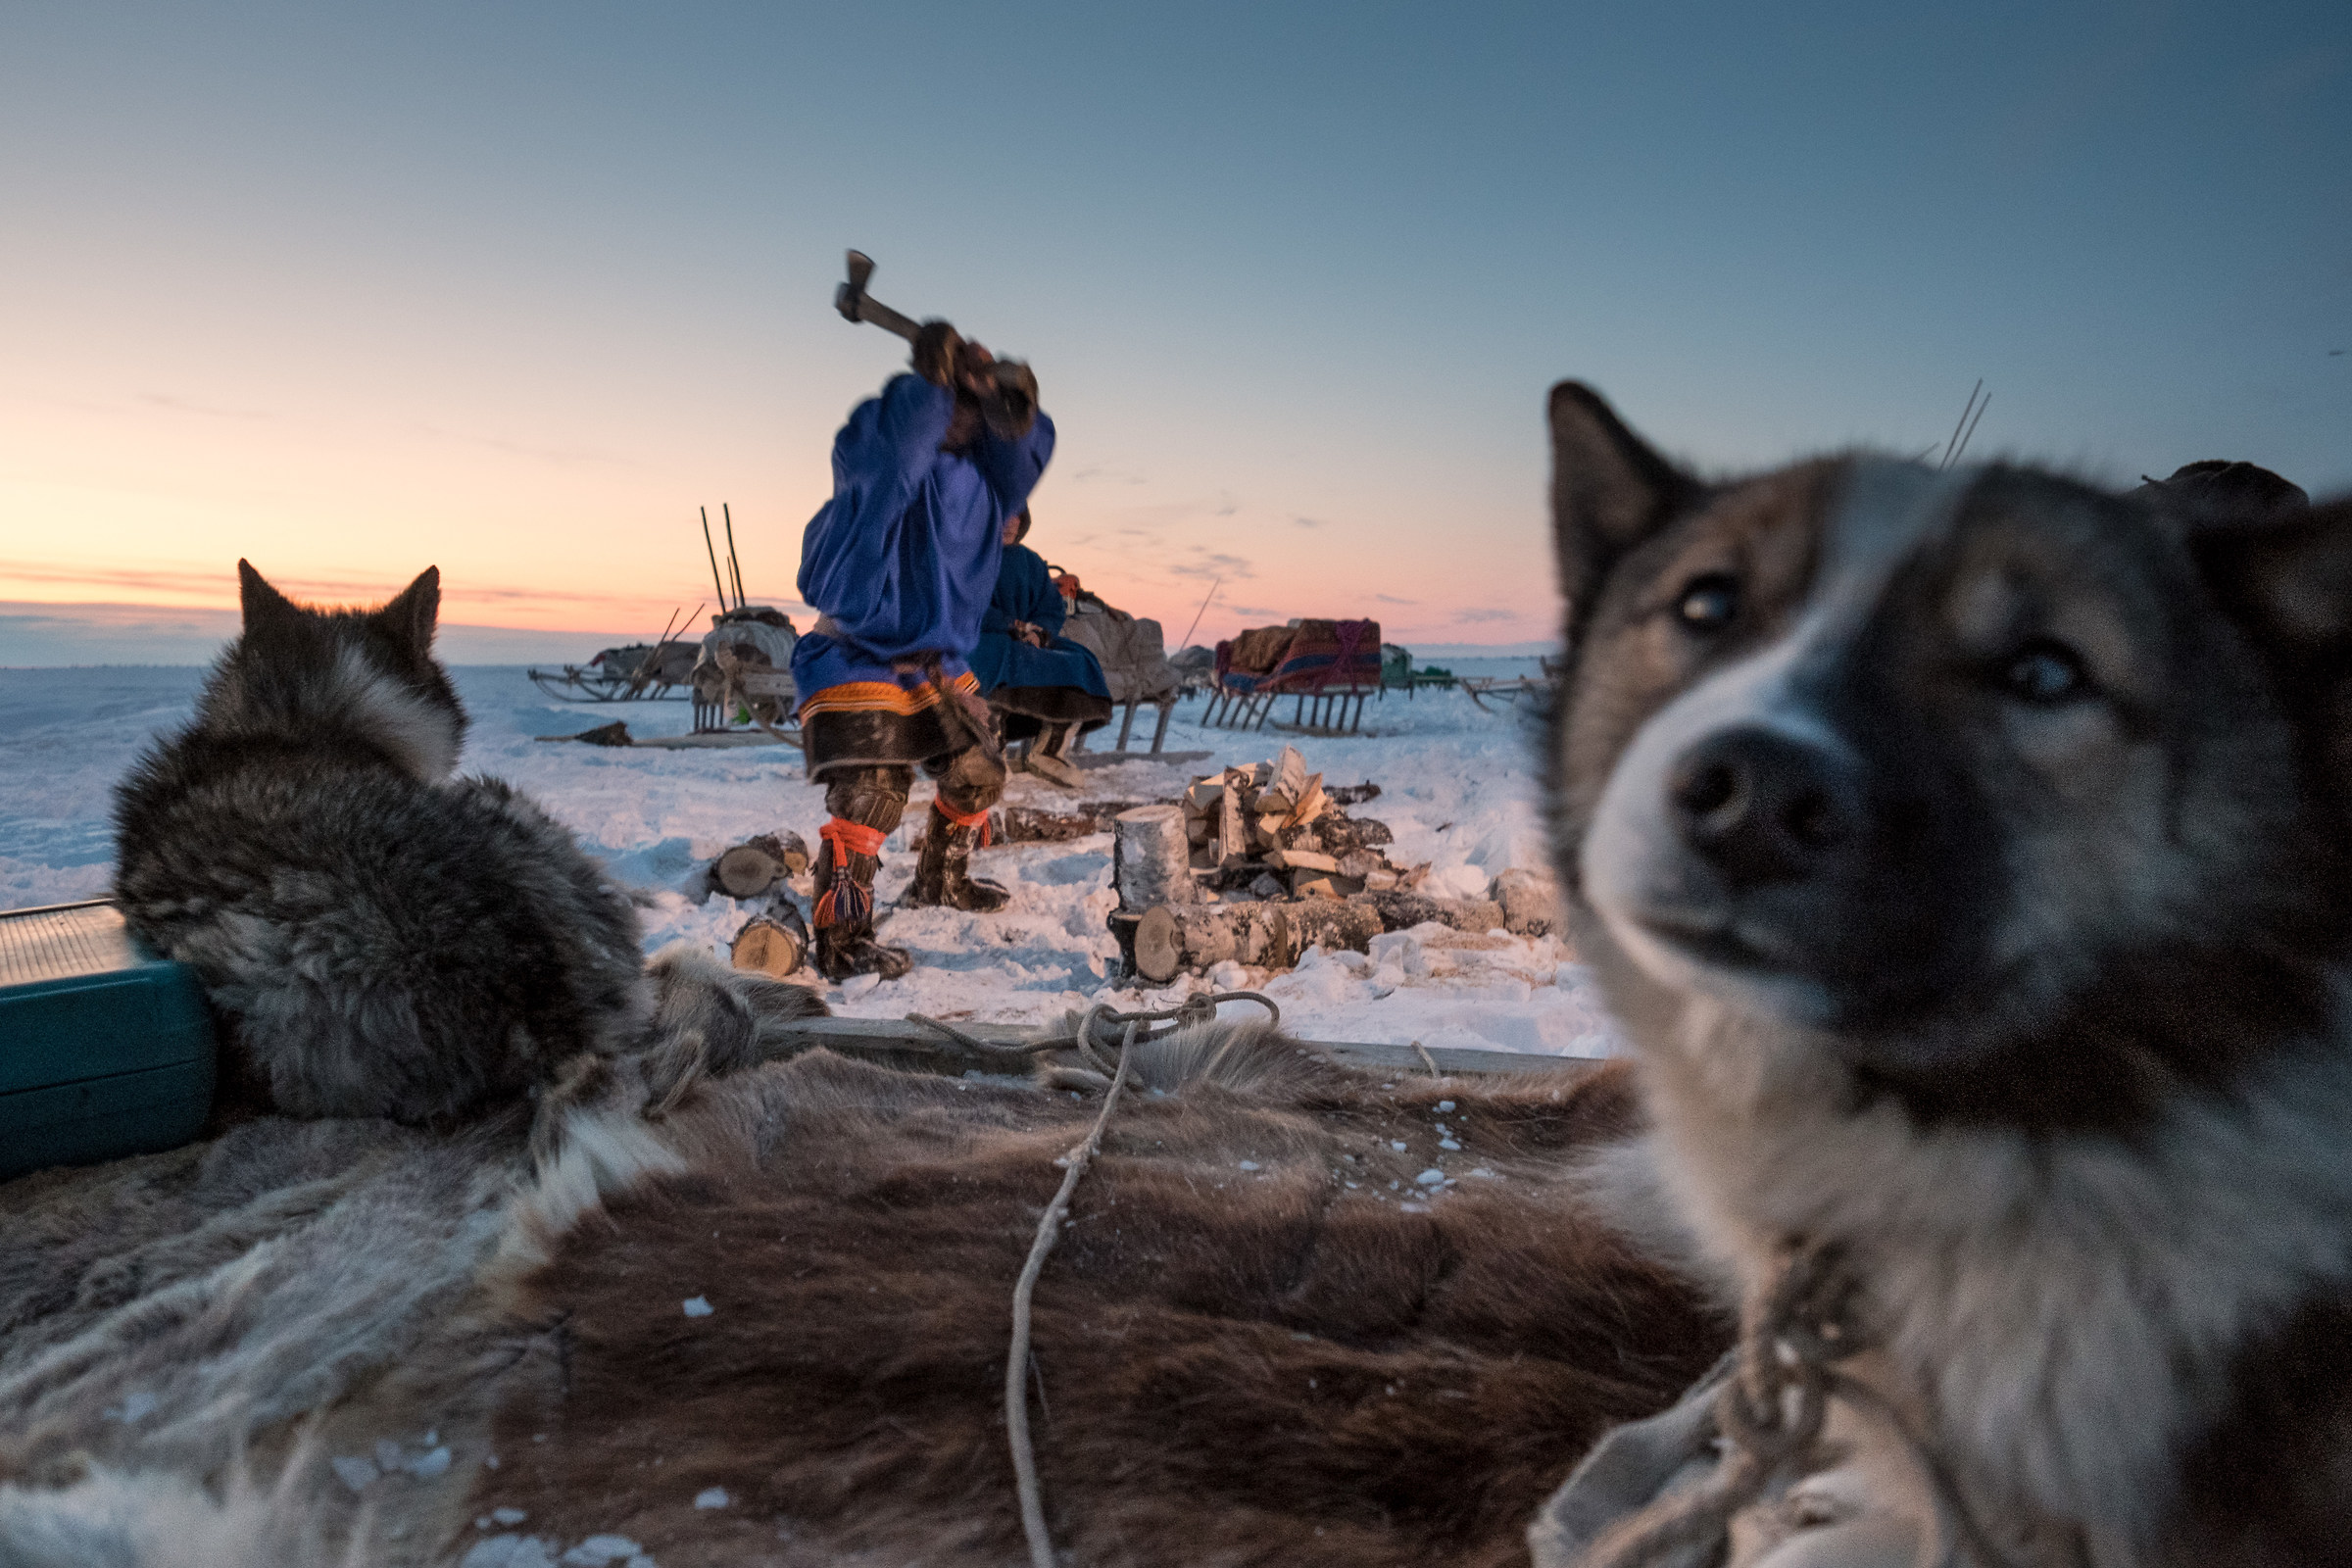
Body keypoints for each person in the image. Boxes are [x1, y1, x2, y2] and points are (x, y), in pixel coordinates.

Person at [789, 320, 1054, 980]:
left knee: (979, 774)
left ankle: (941, 878)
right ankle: (843, 938)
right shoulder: (877, 467)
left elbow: (1022, 453)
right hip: (857, 654)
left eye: (971, 410)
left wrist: (1011, 394)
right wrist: (931, 387)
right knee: (874, 794)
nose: (963, 420)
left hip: (938, 666)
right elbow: (894, 457)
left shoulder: (982, 487)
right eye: (953, 409)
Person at [968, 508, 1113, 787]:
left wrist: (1039, 633)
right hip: (983, 636)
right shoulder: (971, 557)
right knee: (993, 661)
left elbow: (1051, 606)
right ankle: (990, 754)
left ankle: (1049, 751)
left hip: (1029, 639)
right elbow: (964, 606)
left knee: (1078, 660)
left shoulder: (1031, 561)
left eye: (1016, 516)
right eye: (1002, 514)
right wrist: (1012, 625)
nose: (1010, 522)